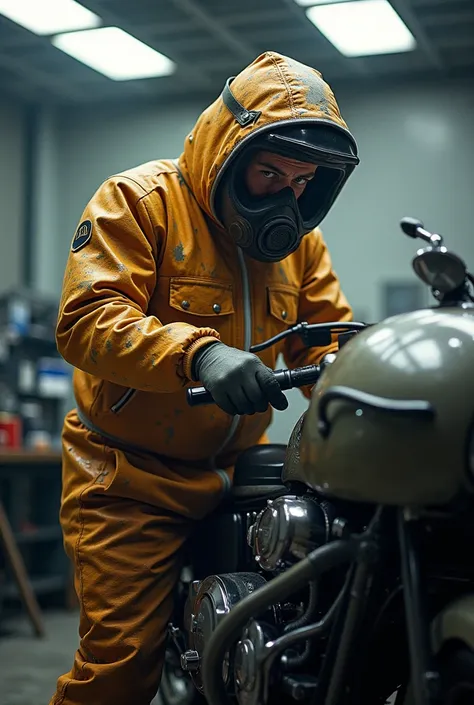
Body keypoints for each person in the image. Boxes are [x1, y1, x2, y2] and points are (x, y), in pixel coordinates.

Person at [50, 50, 359, 705]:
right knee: (120, 669)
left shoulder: (298, 242)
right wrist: (200, 354)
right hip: (130, 478)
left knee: (288, 646)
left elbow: (330, 340)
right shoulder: (140, 202)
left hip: (241, 475)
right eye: (270, 172)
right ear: (227, 151)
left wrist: (367, 390)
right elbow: (86, 319)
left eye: (302, 180)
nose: (286, 195)